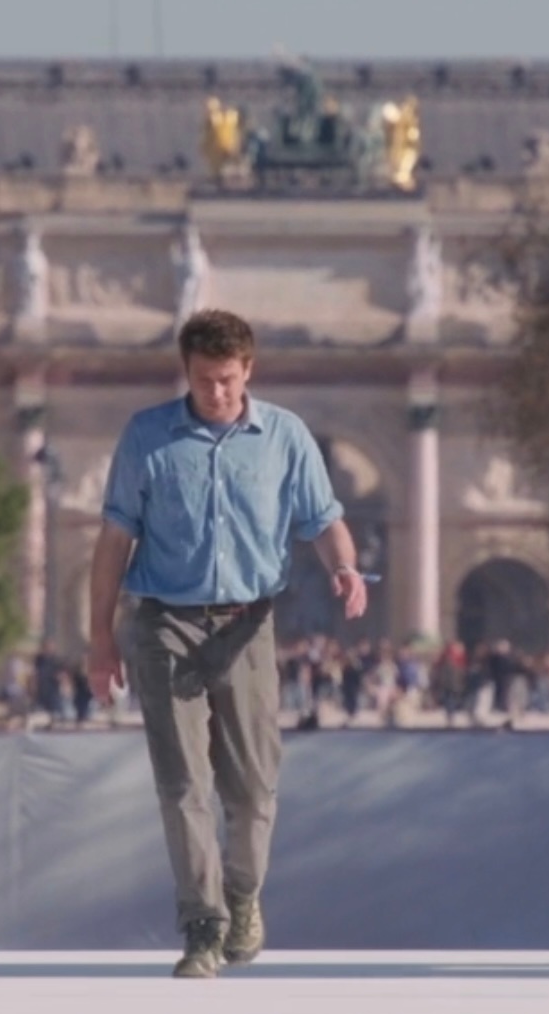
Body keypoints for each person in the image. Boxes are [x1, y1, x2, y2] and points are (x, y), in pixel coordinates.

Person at [87, 308, 367, 979]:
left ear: (248, 371)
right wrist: (100, 639)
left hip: (247, 624)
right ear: (185, 372)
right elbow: (114, 540)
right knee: (182, 781)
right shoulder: (147, 436)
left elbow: (323, 518)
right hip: (165, 622)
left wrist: (345, 567)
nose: (216, 392)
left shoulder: (285, 436)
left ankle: (242, 894)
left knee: (252, 786)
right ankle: (202, 924)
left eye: (228, 380)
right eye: (204, 379)